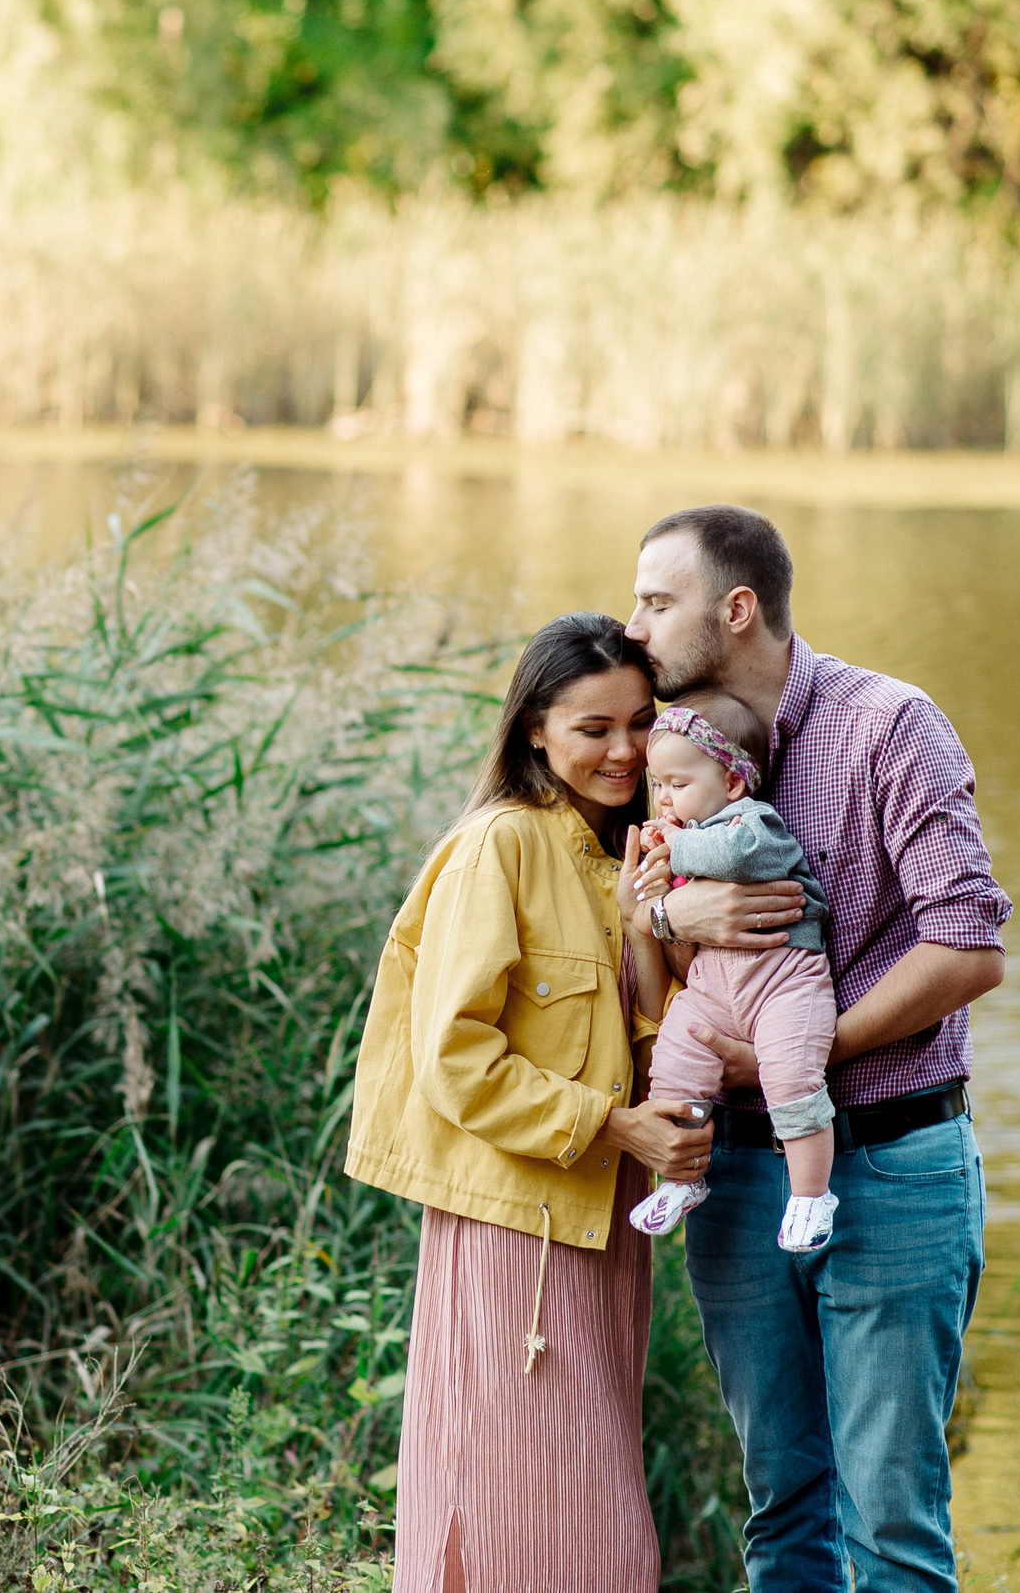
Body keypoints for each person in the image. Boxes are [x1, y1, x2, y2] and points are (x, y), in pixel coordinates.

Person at [623, 505, 1011, 1593]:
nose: (634, 627)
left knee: (892, 1526)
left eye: (657, 602)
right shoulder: (659, 755)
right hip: (737, 1179)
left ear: (736, 609)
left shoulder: (890, 725)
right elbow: (643, 964)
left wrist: (803, 1056)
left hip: (891, 1166)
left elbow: (968, 946)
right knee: (782, 1515)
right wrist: (660, 922)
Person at [344, 612, 708, 1593]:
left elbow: (639, 1035)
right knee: (522, 1515)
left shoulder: (621, 853)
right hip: (515, 1231)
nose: (626, 749)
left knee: (593, 1520)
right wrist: (609, 1123)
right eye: (594, 727)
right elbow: (454, 1058)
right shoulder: (496, 846)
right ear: (533, 731)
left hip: (599, 1226)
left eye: (640, 722)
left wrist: (644, 931)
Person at [625, 692, 839, 1252]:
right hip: (712, 988)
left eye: (679, 784)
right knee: (674, 1070)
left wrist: (678, 844)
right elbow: (684, 941)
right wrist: (659, 898)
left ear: (733, 782)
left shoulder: (753, 824)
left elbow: (738, 857)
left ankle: (811, 1195)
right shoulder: (691, 845)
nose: (665, 799)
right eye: (658, 786)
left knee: (792, 1080)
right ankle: (681, 1181)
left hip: (782, 981)